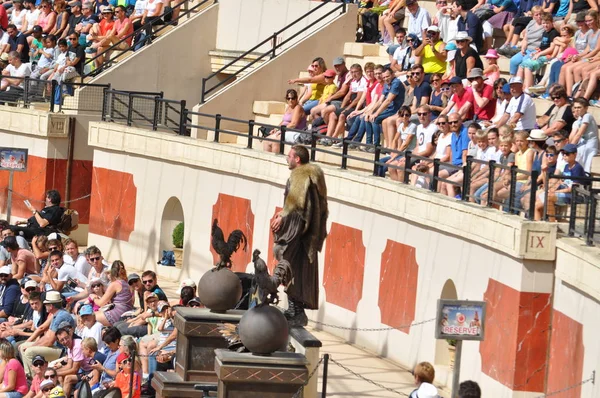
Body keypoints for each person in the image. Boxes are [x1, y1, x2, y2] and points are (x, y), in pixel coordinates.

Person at [271, 145, 328, 327]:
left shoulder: (300, 177)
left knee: (288, 263)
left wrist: (283, 224)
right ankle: (294, 310)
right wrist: (283, 212)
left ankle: (297, 312)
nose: (287, 159)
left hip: (299, 235)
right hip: (308, 235)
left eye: (289, 156)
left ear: (297, 159)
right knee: (297, 270)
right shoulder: (313, 176)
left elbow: (297, 208)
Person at [18, 290, 75, 377]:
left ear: (51, 306)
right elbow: (47, 336)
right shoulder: (56, 315)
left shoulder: (60, 316)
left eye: (46, 304)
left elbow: (49, 341)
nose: (45, 306)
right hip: (57, 347)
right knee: (23, 347)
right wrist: (30, 344)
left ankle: (37, 378)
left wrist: (31, 346)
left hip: (63, 350)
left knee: (29, 351)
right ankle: (28, 375)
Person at [89, 261, 134, 326]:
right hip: (127, 311)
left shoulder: (115, 284)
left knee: (88, 318)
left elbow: (101, 303)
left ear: (112, 272)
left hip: (117, 314)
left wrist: (94, 297)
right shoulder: (128, 284)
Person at [263, 89, 307, 153]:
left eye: (293, 98)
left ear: (296, 98)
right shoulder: (288, 107)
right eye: (288, 98)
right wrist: (276, 129)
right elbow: (283, 121)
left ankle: (276, 161)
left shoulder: (298, 108)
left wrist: (281, 130)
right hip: (286, 130)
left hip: (296, 132)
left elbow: (293, 124)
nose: (290, 100)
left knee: (276, 140)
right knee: (266, 140)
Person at [570, 97, 598, 172]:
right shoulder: (579, 119)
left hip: (590, 145)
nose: (576, 109)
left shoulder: (587, 116)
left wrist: (570, 148)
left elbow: (579, 134)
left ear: (586, 108)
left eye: (579, 107)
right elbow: (572, 136)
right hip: (583, 143)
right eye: (575, 107)